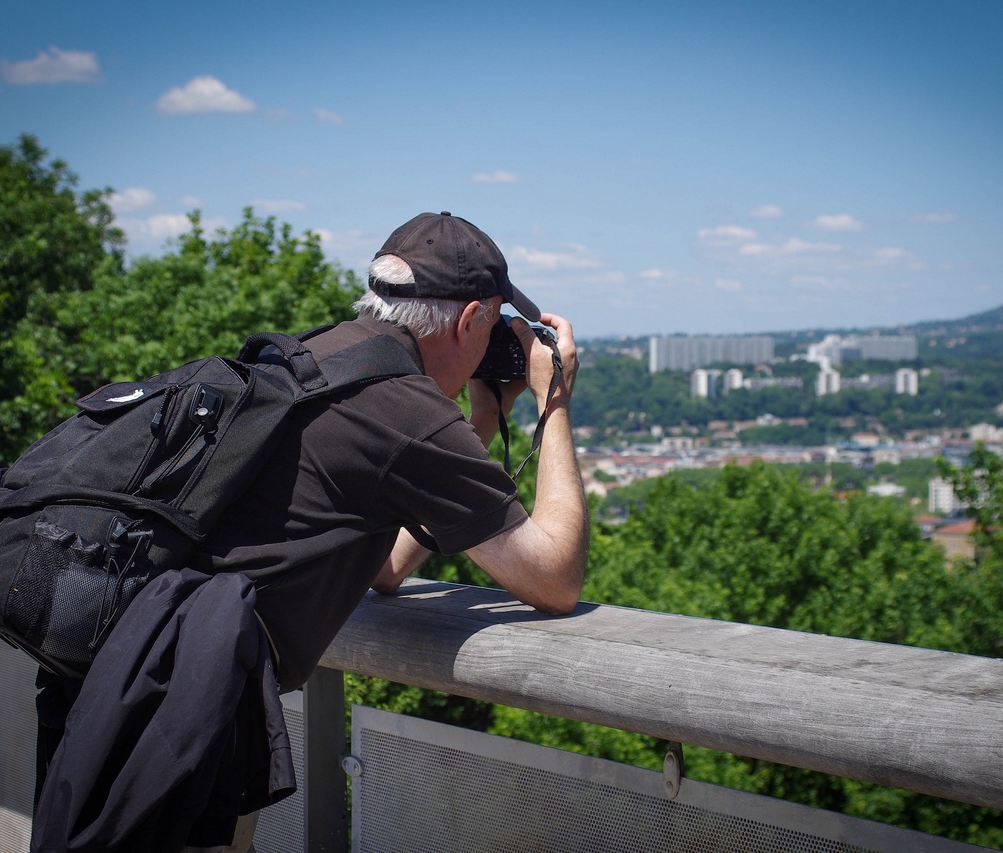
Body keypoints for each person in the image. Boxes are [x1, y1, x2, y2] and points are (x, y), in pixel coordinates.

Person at [31, 211, 589, 852]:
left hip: (116, 667)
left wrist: (484, 419)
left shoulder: (317, 354)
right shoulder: (405, 409)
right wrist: (555, 402)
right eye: (494, 323)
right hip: (179, 710)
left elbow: (381, 567)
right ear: (468, 321)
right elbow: (554, 579)